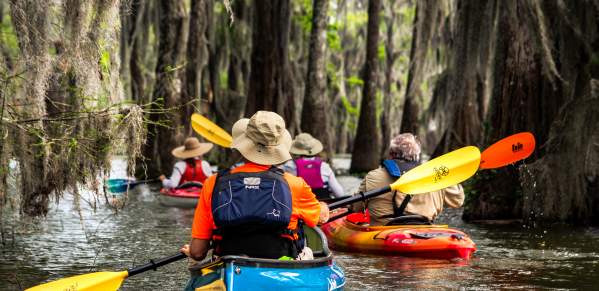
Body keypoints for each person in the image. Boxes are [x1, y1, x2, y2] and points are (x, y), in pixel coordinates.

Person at [181, 111, 329, 262]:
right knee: (308, 250)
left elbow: (198, 252)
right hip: (281, 263)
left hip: (229, 263)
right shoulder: (295, 185)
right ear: (278, 146)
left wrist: (191, 252)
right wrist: (323, 207)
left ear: (244, 143)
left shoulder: (213, 183)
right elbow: (320, 218)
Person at [351, 133, 464, 226]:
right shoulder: (436, 177)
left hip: (382, 232)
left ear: (391, 154)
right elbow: (458, 201)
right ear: (417, 156)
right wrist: (446, 176)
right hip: (425, 231)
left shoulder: (373, 176)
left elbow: (356, 208)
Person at [284, 133, 345, 199]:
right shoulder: (325, 167)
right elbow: (339, 194)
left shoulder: (288, 167)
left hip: (300, 207)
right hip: (323, 206)